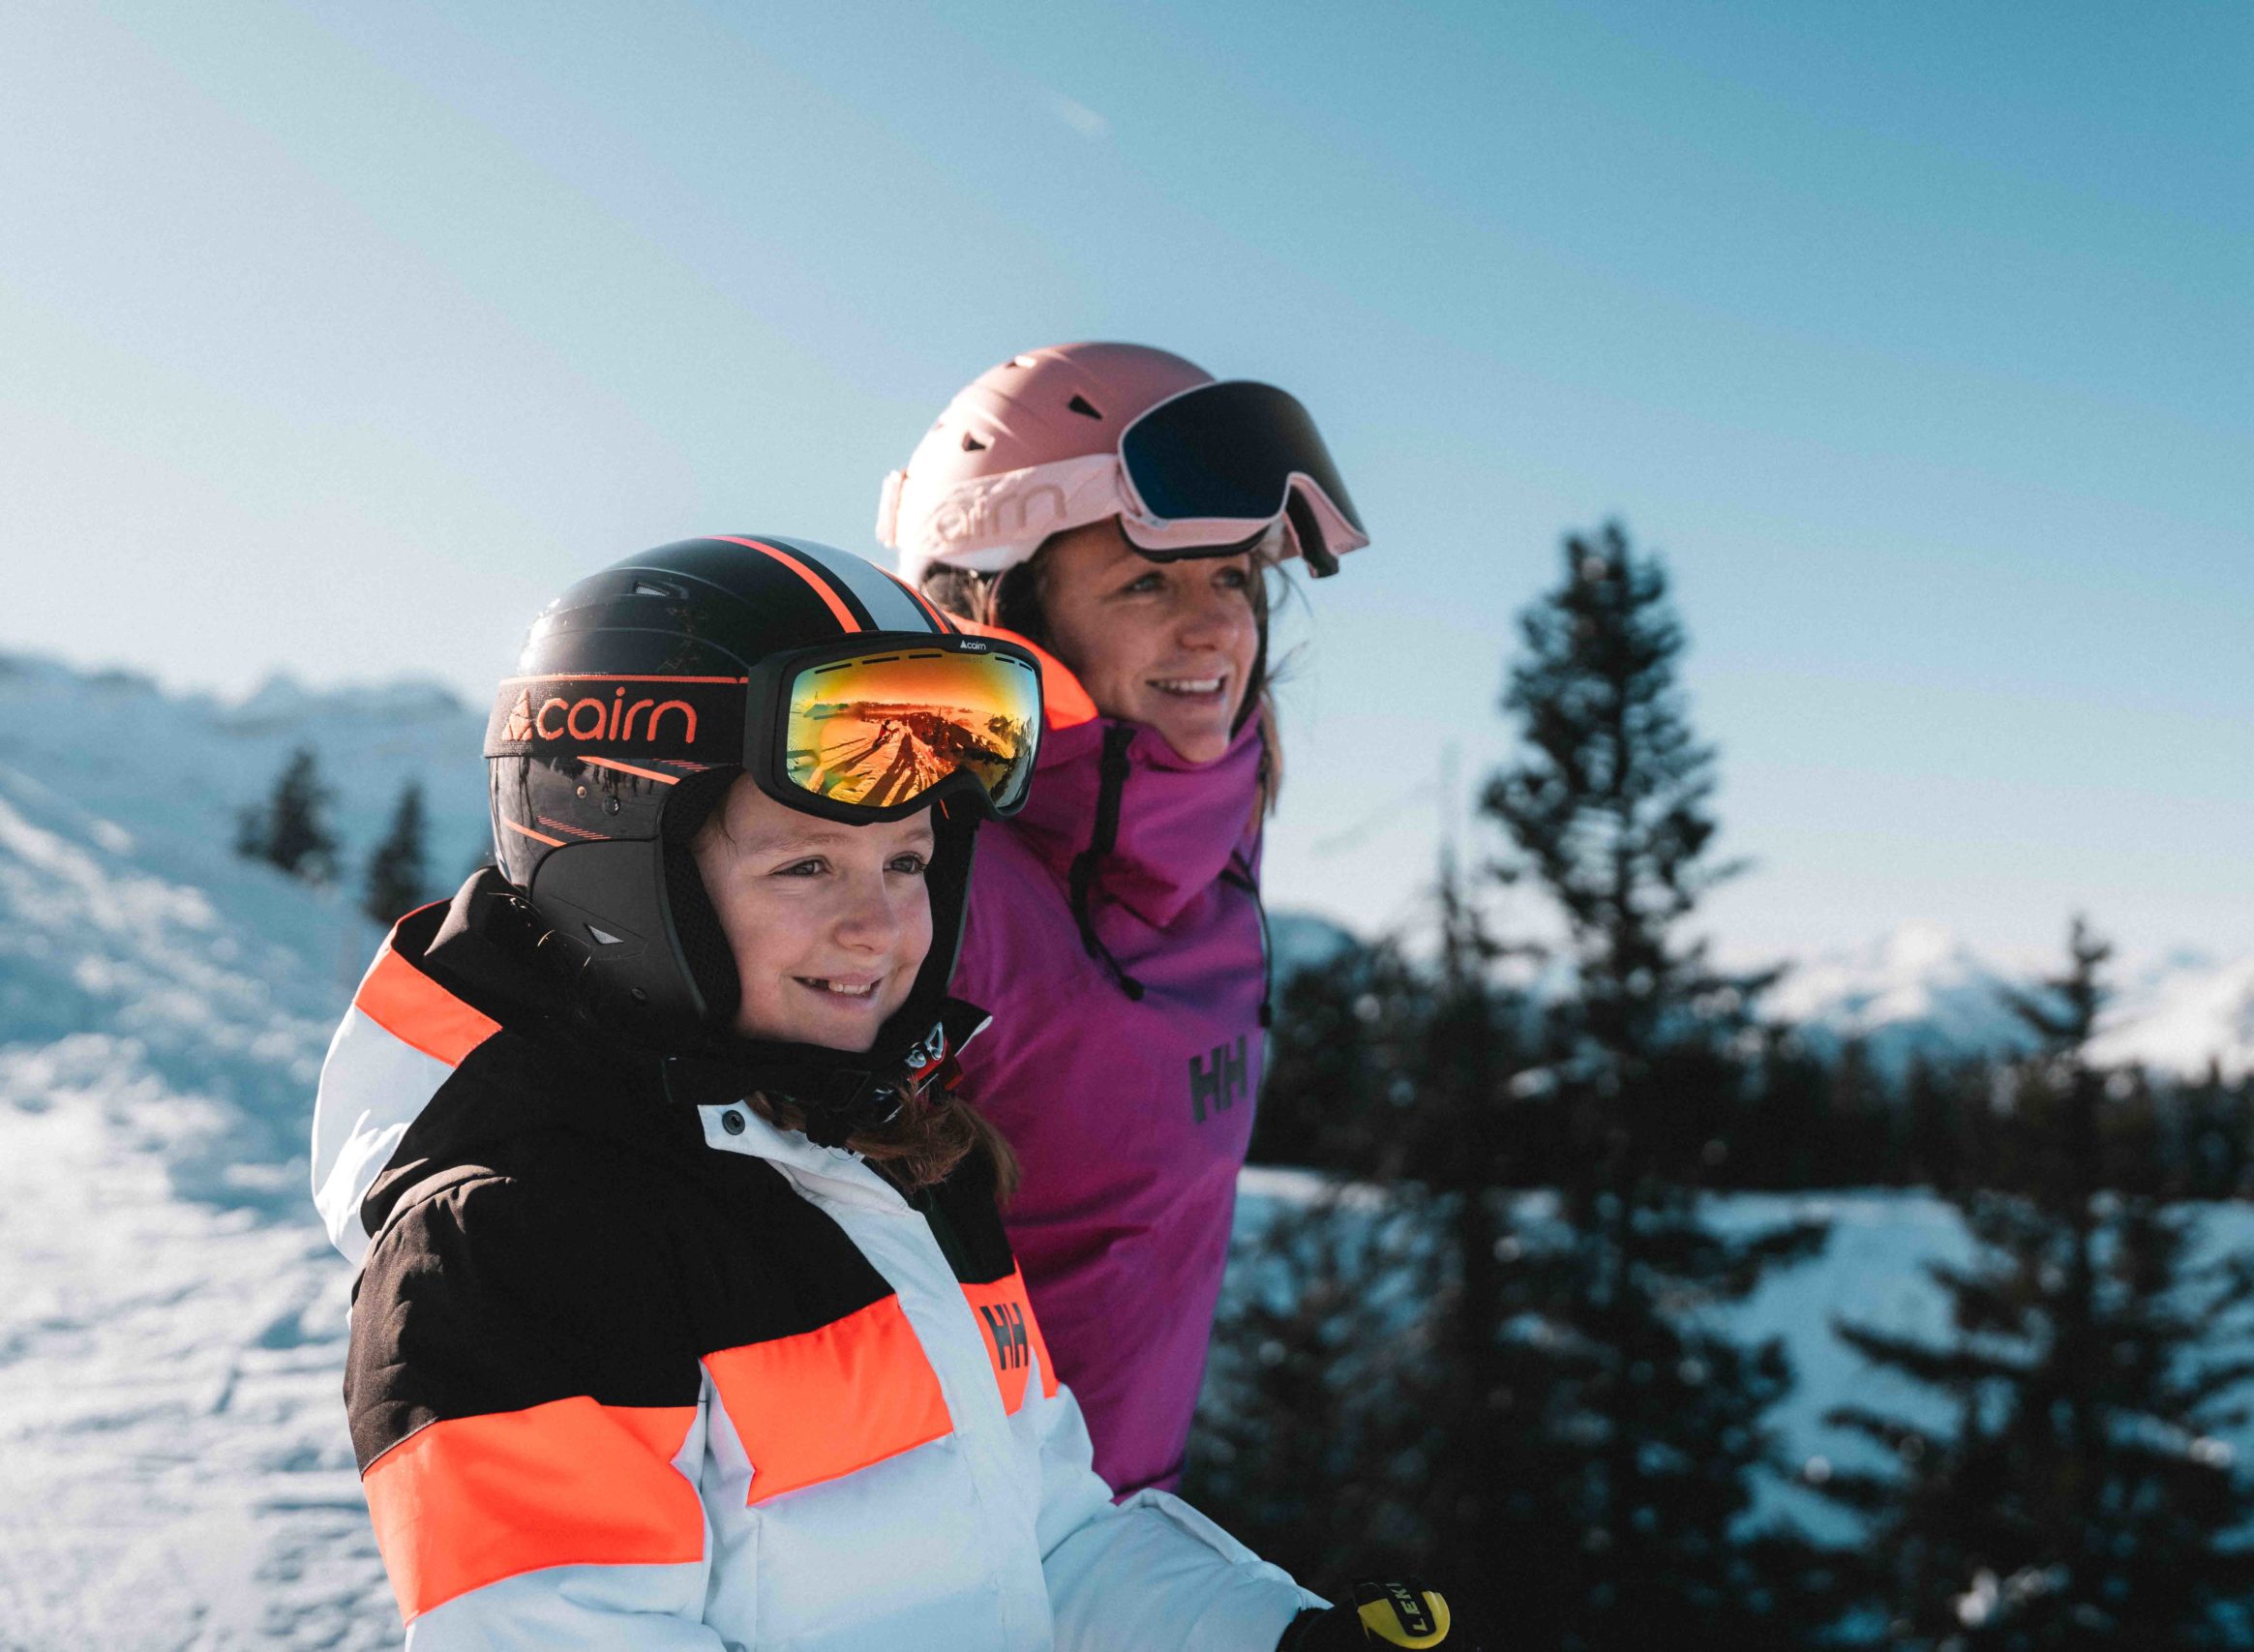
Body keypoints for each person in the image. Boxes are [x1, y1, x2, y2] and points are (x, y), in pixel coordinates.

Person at [309, 535, 1459, 1649]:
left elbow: (1051, 1547)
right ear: (625, 872)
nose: (879, 928)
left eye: (906, 862)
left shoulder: (902, 1152)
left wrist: (1274, 1639)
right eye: (804, 865)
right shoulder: (523, 1245)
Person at [877, 343, 1368, 1496]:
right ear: (1009, 617)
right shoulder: (933, 887)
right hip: (933, 1560)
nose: (1213, 630)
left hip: (1121, 1534)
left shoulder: (1212, 834)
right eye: (1147, 581)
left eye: (1234, 577)